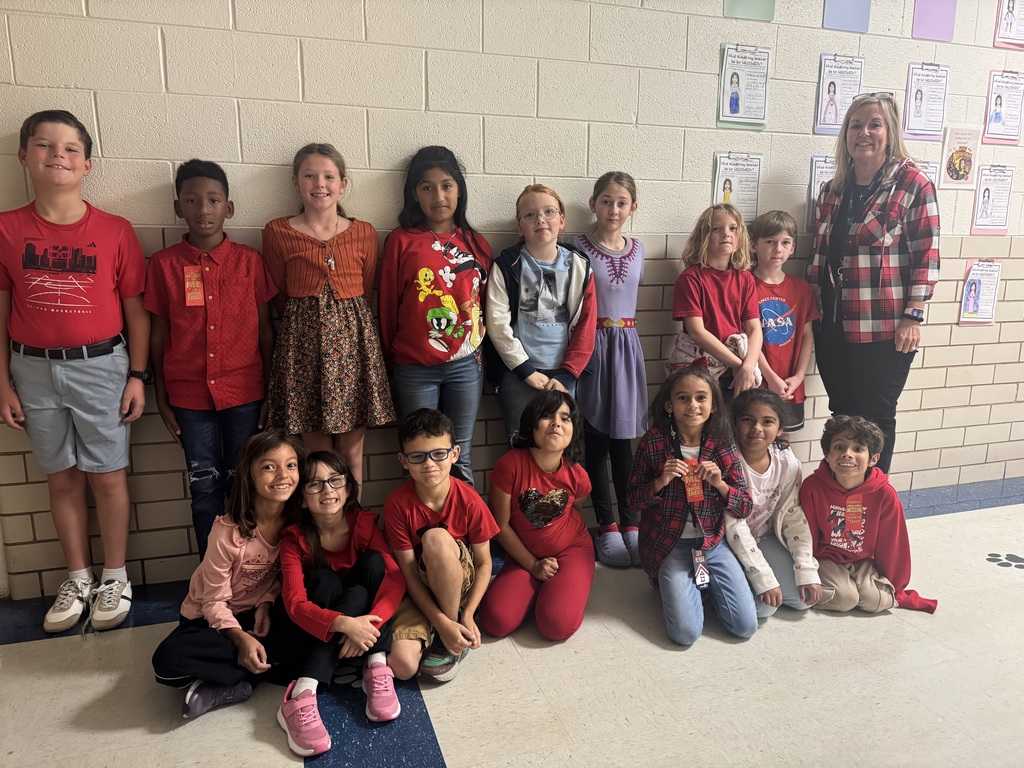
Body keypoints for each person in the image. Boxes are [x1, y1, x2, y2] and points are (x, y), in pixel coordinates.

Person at [0, 110, 149, 633]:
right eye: (44, 146)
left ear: (87, 164)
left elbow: (136, 310)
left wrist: (138, 375)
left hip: (102, 366)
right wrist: (3, 384)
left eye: (69, 149)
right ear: (24, 157)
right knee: (60, 477)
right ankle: (78, 577)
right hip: (33, 369)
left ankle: (114, 575)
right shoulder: (7, 228)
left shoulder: (114, 230)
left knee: (107, 476)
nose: (57, 156)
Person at [145, 159, 277, 558]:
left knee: (247, 483)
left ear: (228, 208)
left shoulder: (249, 261)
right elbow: (159, 335)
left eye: (213, 199)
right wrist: (162, 398)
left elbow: (266, 331)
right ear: (177, 206)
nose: (203, 209)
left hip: (245, 392)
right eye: (192, 199)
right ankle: (211, 575)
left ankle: (250, 569)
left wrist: (271, 390)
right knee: (204, 486)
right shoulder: (165, 265)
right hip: (189, 397)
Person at [806, 92, 939, 474]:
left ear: (890, 131)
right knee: (843, 414)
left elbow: (927, 256)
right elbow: (819, 257)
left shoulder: (913, 185)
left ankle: (871, 502)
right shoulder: (832, 191)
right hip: (832, 324)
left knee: (876, 418)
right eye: (855, 125)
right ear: (845, 135)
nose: (864, 132)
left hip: (883, 328)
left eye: (874, 124)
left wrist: (914, 314)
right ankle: (840, 497)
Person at [262, 143, 395, 490]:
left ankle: (354, 531)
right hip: (303, 353)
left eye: (328, 176)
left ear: (343, 184)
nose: (319, 183)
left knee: (352, 455)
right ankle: (322, 532)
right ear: (295, 182)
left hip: (353, 351)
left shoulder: (363, 232)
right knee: (317, 456)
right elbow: (278, 293)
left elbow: (366, 292)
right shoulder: (278, 232)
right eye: (309, 175)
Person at [151, 431, 304, 719]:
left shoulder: (295, 525)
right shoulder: (227, 532)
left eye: (291, 465)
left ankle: (237, 680)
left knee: (307, 635)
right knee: (167, 660)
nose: (283, 475)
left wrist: (266, 605)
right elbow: (212, 602)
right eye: (269, 466)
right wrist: (240, 639)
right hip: (212, 620)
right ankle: (249, 674)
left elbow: (279, 579)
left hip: (259, 616)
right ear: (249, 475)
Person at [277, 452, 406, 756]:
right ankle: (301, 693)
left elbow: (395, 578)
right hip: (318, 628)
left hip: (362, 629)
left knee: (373, 568)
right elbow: (294, 604)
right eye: (315, 485)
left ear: (348, 489)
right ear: (301, 499)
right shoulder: (294, 540)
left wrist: (368, 625)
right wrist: (345, 624)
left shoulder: (362, 524)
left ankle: (375, 665)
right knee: (325, 580)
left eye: (335, 480)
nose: (327, 490)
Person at [379, 146, 491, 485]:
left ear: (459, 188)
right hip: (414, 368)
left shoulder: (477, 244)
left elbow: (485, 305)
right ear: (414, 193)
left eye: (446, 185)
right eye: (427, 187)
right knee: (418, 458)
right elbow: (386, 307)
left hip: (466, 365)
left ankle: (466, 536)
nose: (438, 195)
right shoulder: (400, 241)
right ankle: (418, 536)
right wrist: (389, 363)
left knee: (461, 456)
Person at [627, 364, 757, 646]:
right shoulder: (653, 442)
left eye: (701, 397)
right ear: (669, 405)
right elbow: (632, 500)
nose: (692, 405)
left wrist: (721, 485)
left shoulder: (723, 443)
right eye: (682, 398)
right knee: (685, 634)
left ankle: (700, 585)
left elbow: (745, 506)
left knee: (744, 627)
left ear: (713, 405)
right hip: (668, 544)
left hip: (712, 543)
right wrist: (660, 481)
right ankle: (672, 582)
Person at [383, 409, 498, 683]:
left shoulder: (470, 500)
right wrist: (440, 622)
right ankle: (446, 628)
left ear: (455, 454)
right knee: (402, 666)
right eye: (417, 456)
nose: (429, 464)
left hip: (457, 586)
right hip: (418, 590)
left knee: (434, 538)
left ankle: (449, 637)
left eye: (438, 454)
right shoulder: (397, 504)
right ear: (403, 460)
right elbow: (409, 573)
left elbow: (484, 563)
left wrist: (468, 612)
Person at [570, 172, 647, 568]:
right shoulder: (577, 247)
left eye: (621, 202)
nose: (613, 209)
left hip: (627, 347)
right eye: (606, 200)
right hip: (593, 347)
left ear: (633, 208)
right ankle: (607, 524)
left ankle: (632, 523)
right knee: (596, 439)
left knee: (624, 442)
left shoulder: (639, 249)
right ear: (593, 204)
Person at [478, 391, 595, 641]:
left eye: (565, 418)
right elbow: (499, 525)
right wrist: (532, 564)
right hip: (525, 555)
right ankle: (541, 586)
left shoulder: (578, 475)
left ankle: (565, 584)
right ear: (531, 426)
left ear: (573, 430)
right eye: (547, 416)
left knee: (555, 626)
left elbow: (576, 511)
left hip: (571, 549)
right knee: (494, 621)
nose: (556, 423)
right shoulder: (510, 465)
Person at [485, 184, 596, 440]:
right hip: (519, 375)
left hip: (564, 374)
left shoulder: (580, 267)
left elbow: (587, 327)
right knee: (522, 444)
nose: (540, 220)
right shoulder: (506, 266)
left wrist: (567, 375)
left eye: (549, 211)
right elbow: (497, 324)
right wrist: (526, 371)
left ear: (562, 219)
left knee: (561, 447)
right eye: (530, 215)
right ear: (520, 225)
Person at [799, 415, 937, 614]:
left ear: (873, 459)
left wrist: (896, 585)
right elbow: (807, 534)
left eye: (858, 449)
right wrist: (806, 572)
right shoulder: (812, 487)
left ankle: (860, 587)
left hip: (862, 559)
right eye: (839, 447)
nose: (847, 454)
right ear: (827, 456)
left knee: (876, 601)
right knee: (845, 599)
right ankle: (841, 588)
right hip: (825, 558)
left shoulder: (884, 493)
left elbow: (893, 542)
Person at [724, 389, 821, 619]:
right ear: (735, 424)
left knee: (802, 600)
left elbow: (792, 514)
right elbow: (733, 525)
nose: (757, 428)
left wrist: (806, 568)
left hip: (763, 538)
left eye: (767, 422)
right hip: (726, 542)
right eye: (748, 420)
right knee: (763, 608)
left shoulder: (787, 462)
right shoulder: (727, 460)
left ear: (779, 429)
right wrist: (763, 578)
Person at [667, 203, 762, 398]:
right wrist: (740, 365)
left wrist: (749, 366)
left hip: (735, 374)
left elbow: (754, 329)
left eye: (732, 228)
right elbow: (697, 331)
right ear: (704, 237)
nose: (726, 233)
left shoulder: (745, 278)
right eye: (716, 228)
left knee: (732, 425)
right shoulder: (691, 278)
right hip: (700, 370)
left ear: (740, 236)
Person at [749, 210, 819, 433]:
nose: (777, 249)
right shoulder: (744, 284)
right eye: (770, 241)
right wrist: (770, 377)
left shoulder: (801, 289)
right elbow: (746, 337)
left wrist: (798, 377)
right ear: (753, 246)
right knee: (751, 442)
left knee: (782, 443)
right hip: (758, 382)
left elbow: (807, 336)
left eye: (785, 242)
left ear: (793, 248)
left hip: (790, 386)